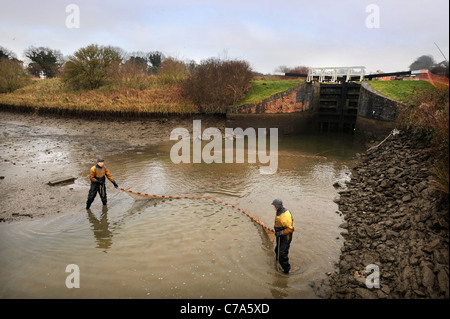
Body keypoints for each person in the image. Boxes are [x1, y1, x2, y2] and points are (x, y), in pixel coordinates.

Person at [272, 199, 294, 274]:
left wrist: (280, 233)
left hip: (285, 237)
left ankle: (286, 270)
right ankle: (277, 263)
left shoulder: (285, 215)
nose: (273, 207)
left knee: (282, 254)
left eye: (273, 206)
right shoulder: (279, 211)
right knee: (277, 250)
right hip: (280, 235)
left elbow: (290, 229)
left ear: (277, 206)